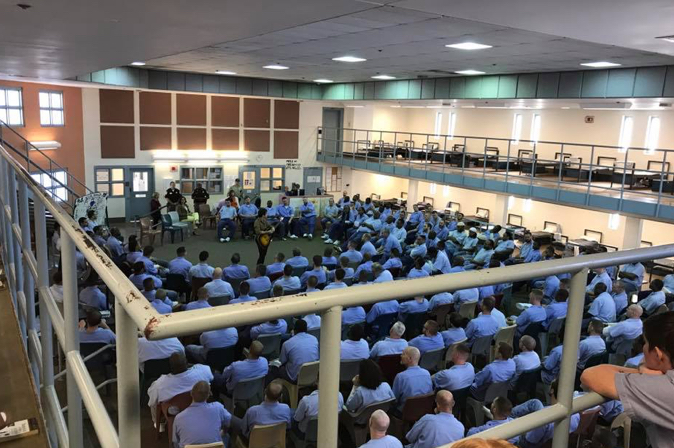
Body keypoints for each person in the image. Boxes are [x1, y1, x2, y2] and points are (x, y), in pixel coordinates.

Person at [582, 312, 674, 448]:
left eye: (646, 342)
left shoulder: (664, 388)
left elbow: (590, 375)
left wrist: (644, 372)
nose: (643, 348)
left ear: (658, 355)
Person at [147, 352, 214, 423]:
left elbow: (152, 403)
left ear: (170, 367)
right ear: (187, 363)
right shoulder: (202, 371)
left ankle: (160, 425)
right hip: (200, 409)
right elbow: (211, 376)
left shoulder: (159, 385)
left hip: (175, 413)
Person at [172, 381, 231, 448]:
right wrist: (223, 431)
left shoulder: (179, 418)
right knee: (226, 436)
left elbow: (175, 441)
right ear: (208, 395)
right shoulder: (218, 407)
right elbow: (228, 422)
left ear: (191, 393)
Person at [275, 319, 319, 383]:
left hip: (295, 378)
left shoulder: (287, 343)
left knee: (278, 369)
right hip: (312, 374)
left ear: (294, 330)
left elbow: (282, 361)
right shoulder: (314, 339)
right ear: (306, 329)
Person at [392, 346, 433, 412]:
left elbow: (394, 400)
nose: (401, 356)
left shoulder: (400, 377)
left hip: (405, 412)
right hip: (424, 409)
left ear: (410, 359)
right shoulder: (427, 373)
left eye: (403, 354)